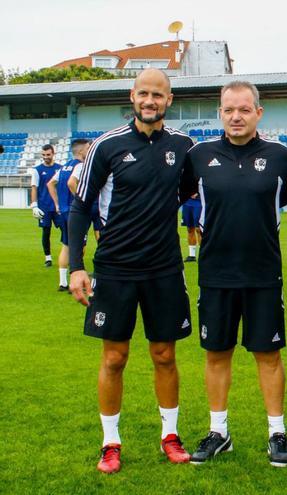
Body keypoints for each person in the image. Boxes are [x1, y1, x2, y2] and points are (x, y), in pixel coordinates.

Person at [67, 68, 195, 474]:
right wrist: (76, 267)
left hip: (164, 268)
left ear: (169, 100)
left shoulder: (184, 147)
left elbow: (194, 192)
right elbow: (80, 206)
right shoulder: (107, 146)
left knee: (164, 354)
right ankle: (110, 443)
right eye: (144, 93)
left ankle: (170, 437)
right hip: (116, 268)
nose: (150, 101)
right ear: (132, 95)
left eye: (158, 94)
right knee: (114, 358)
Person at [181, 81, 287, 467]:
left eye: (244, 109)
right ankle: (219, 431)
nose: (236, 116)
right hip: (215, 274)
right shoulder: (198, 157)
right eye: (229, 109)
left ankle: (276, 432)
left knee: (268, 354)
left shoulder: (282, 157)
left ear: (258, 113)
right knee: (217, 354)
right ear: (220, 113)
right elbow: (165, 196)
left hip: (264, 274)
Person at [47, 138, 90, 291]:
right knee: (79, 246)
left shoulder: (64, 166)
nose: (89, 151)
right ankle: (78, 279)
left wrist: (57, 204)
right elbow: (71, 183)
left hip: (63, 211)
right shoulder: (80, 166)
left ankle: (63, 282)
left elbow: (50, 183)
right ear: (81, 151)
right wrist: (81, 200)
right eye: (88, 148)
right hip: (75, 212)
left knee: (66, 245)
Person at [30, 144, 61, 267]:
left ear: (53, 154)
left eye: (48, 154)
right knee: (46, 232)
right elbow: (34, 188)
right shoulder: (37, 170)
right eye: (43, 155)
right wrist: (34, 205)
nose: (46, 157)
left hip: (59, 206)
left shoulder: (60, 168)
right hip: (44, 207)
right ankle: (48, 258)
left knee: (66, 230)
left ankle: (68, 255)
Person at [68, 160, 103, 242]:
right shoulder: (100, 164)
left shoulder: (82, 166)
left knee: (81, 243)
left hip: (88, 206)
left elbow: (71, 183)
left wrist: (80, 199)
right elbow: (71, 183)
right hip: (98, 205)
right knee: (101, 240)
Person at [181, 193, 201, 262]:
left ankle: (202, 254)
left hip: (199, 201)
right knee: (189, 229)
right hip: (187, 202)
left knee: (199, 229)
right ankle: (192, 255)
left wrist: (197, 193)